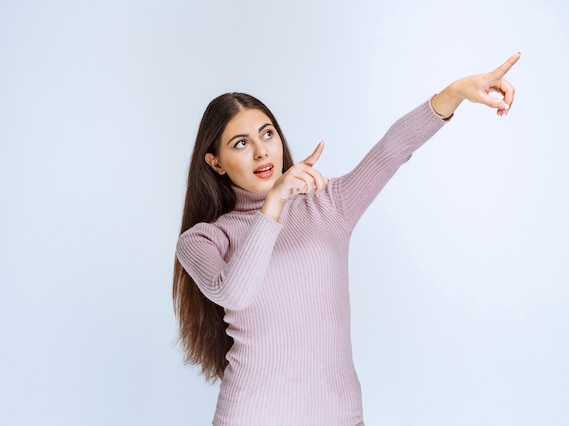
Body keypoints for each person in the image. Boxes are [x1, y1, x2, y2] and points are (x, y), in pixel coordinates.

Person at [173, 53, 520, 425]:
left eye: (267, 134)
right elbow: (234, 293)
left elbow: (391, 151)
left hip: (338, 415)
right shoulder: (203, 239)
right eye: (240, 143)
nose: (262, 151)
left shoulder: (330, 205)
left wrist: (455, 93)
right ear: (215, 162)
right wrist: (274, 201)